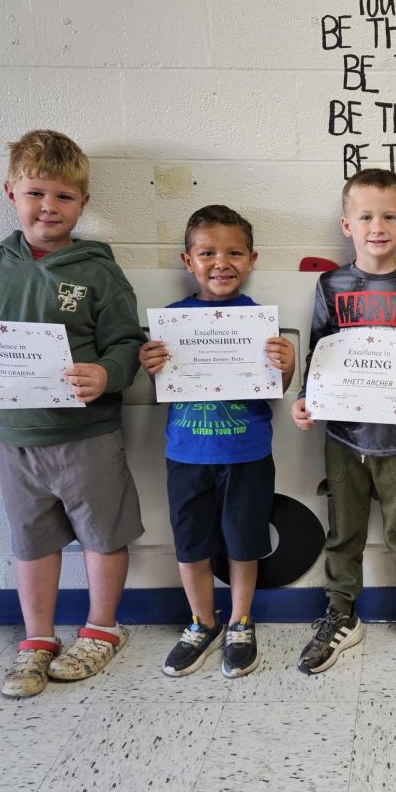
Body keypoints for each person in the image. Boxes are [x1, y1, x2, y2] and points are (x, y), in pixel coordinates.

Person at [0, 129, 146, 698]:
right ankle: (37, 638)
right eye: (36, 193)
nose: (49, 207)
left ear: (83, 203)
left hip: (85, 433)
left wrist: (108, 375)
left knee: (102, 533)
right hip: (13, 436)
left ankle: (101, 628)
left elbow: (126, 345)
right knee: (30, 538)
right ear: (10, 194)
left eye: (64, 197)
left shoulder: (97, 272)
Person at [291, 169, 396, 682]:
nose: (376, 226)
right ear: (346, 224)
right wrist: (305, 400)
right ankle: (341, 614)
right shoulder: (331, 284)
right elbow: (319, 351)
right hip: (343, 435)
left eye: (388, 216)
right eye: (365, 216)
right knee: (344, 531)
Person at [139, 205, 295, 679]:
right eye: (207, 252)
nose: (221, 262)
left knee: (243, 544)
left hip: (246, 454)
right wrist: (151, 366)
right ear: (189, 261)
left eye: (233, 252)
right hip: (186, 454)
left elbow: (279, 390)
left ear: (251, 259)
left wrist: (285, 365)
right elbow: (159, 391)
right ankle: (202, 622)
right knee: (191, 545)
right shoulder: (171, 322)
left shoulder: (261, 323)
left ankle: (241, 621)